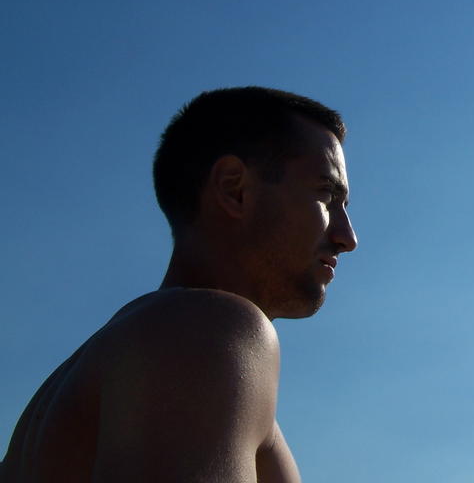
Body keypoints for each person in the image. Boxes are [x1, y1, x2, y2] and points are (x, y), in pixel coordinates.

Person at [1, 87, 358, 482]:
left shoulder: (82, 385)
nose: (347, 237)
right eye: (326, 195)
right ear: (234, 189)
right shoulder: (206, 332)